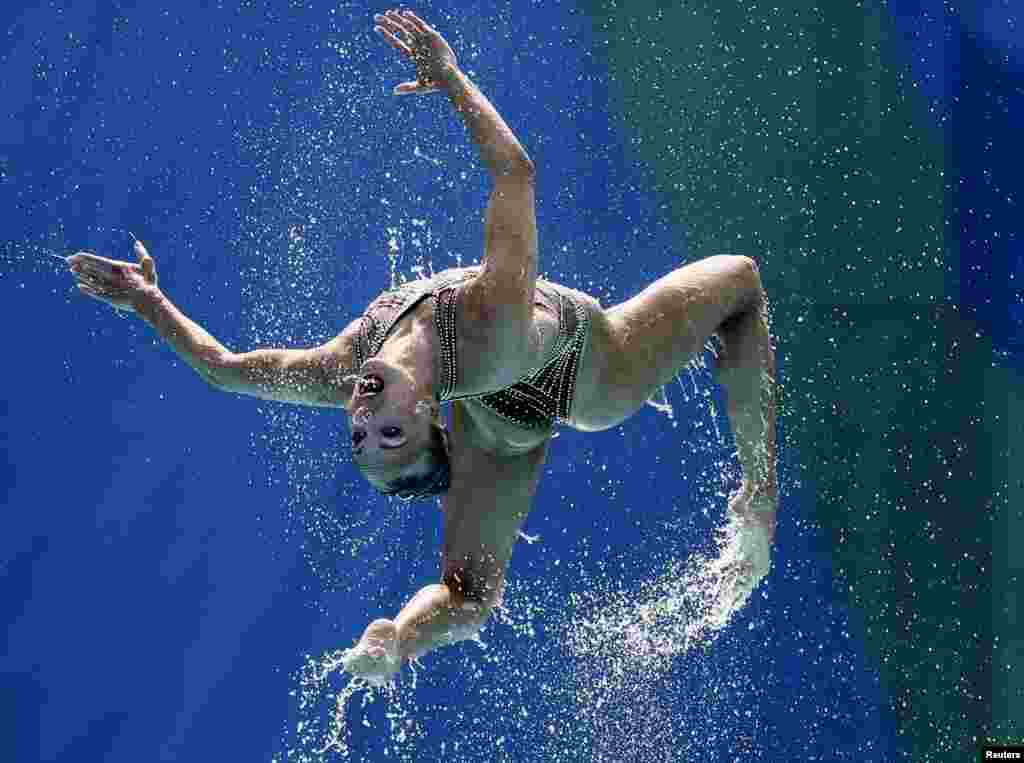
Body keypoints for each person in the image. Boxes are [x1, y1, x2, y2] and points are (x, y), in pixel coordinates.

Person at [66, 10, 777, 685]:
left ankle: (394, 636)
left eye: (359, 436)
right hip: (591, 377)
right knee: (739, 283)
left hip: (497, 418)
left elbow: (224, 370)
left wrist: (146, 299)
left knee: (469, 589)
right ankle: (760, 496)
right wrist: (452, 77)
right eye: (393, 432)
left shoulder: (347, 364)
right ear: (435, 417)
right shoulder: (489, 323)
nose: (364, 414)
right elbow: (516, 175)